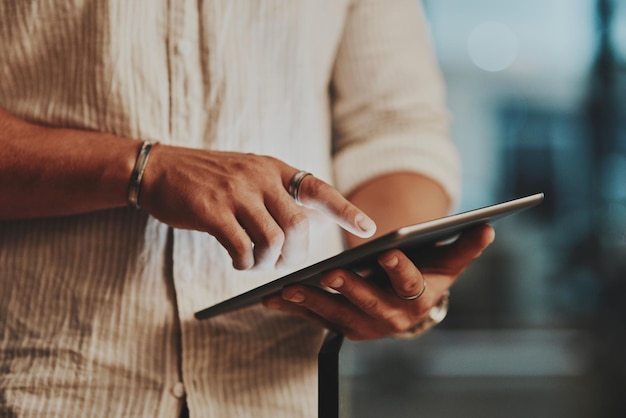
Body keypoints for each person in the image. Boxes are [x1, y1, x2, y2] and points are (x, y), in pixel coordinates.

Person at [0, 1, 494, 417]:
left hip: (275, 388)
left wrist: (388, 274)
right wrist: (140, 169)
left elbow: (396, 128)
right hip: (40, 386)